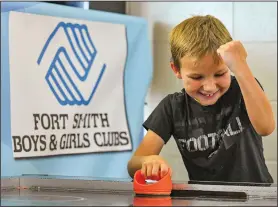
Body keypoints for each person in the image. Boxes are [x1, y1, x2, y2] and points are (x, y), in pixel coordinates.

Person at [127, 15, 275, 183]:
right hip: (205, 198)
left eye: (220, 74)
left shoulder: (244, 88)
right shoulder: (172, 107)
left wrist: (240, 65)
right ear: (176, 69)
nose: (210, 87)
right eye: (197, 77)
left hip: (254, 197)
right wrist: (148, 161)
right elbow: (133, 165)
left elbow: (266, 127)